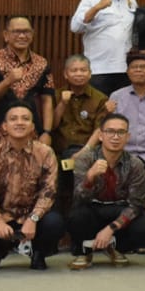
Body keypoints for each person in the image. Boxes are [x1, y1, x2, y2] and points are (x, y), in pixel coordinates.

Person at [0, 102, 62, 271]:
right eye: (13, 119)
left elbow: (48, 191)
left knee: (55, 222)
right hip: (3, 217)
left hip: (33, 218)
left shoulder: (45, 153)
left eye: (25, 119)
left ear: (32, 126)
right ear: (5, 126)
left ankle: (38, 253)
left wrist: (34, 218)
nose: (19, 122)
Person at [67, 113, 145, 269]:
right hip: (92, 209)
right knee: (76, 217)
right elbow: (78, 197)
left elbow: (136, 205)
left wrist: (110, 229)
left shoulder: (135, 163)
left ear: (127, 137)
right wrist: (89, 178)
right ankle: (85, 251)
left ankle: (114, 246)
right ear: (101, 135)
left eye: (121, 132)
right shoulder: (85, 159)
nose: (115, 137)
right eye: (110, 132)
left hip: (119, 209)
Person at [0, 16, 54, 143]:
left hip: (33, 133)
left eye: (26, 32)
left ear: (32, 34)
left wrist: (47, 132)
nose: (22, 36)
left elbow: (47, 100)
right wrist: (8, 81)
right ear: (6, 35)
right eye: (17, 32)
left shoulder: (42, 63)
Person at [50, 53, 110, 217]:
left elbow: (100, 130)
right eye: (74, 70)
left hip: (88, 151)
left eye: (83, 70)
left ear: (90, 73)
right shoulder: (55, 95)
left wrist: (84, 151)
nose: (78, 74)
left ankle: (76, 222)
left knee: (80, 178)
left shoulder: (100, 99)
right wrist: (62, 103)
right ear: (65, 74)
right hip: (58, 152)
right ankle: (57, 224)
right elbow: (51, 126)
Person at [70, 0, 137, 94]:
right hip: (99, 68)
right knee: (99, 111)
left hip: (125, 68)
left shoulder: (131, 2)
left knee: (121, 112)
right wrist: (97, 8)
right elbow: (75, 27)